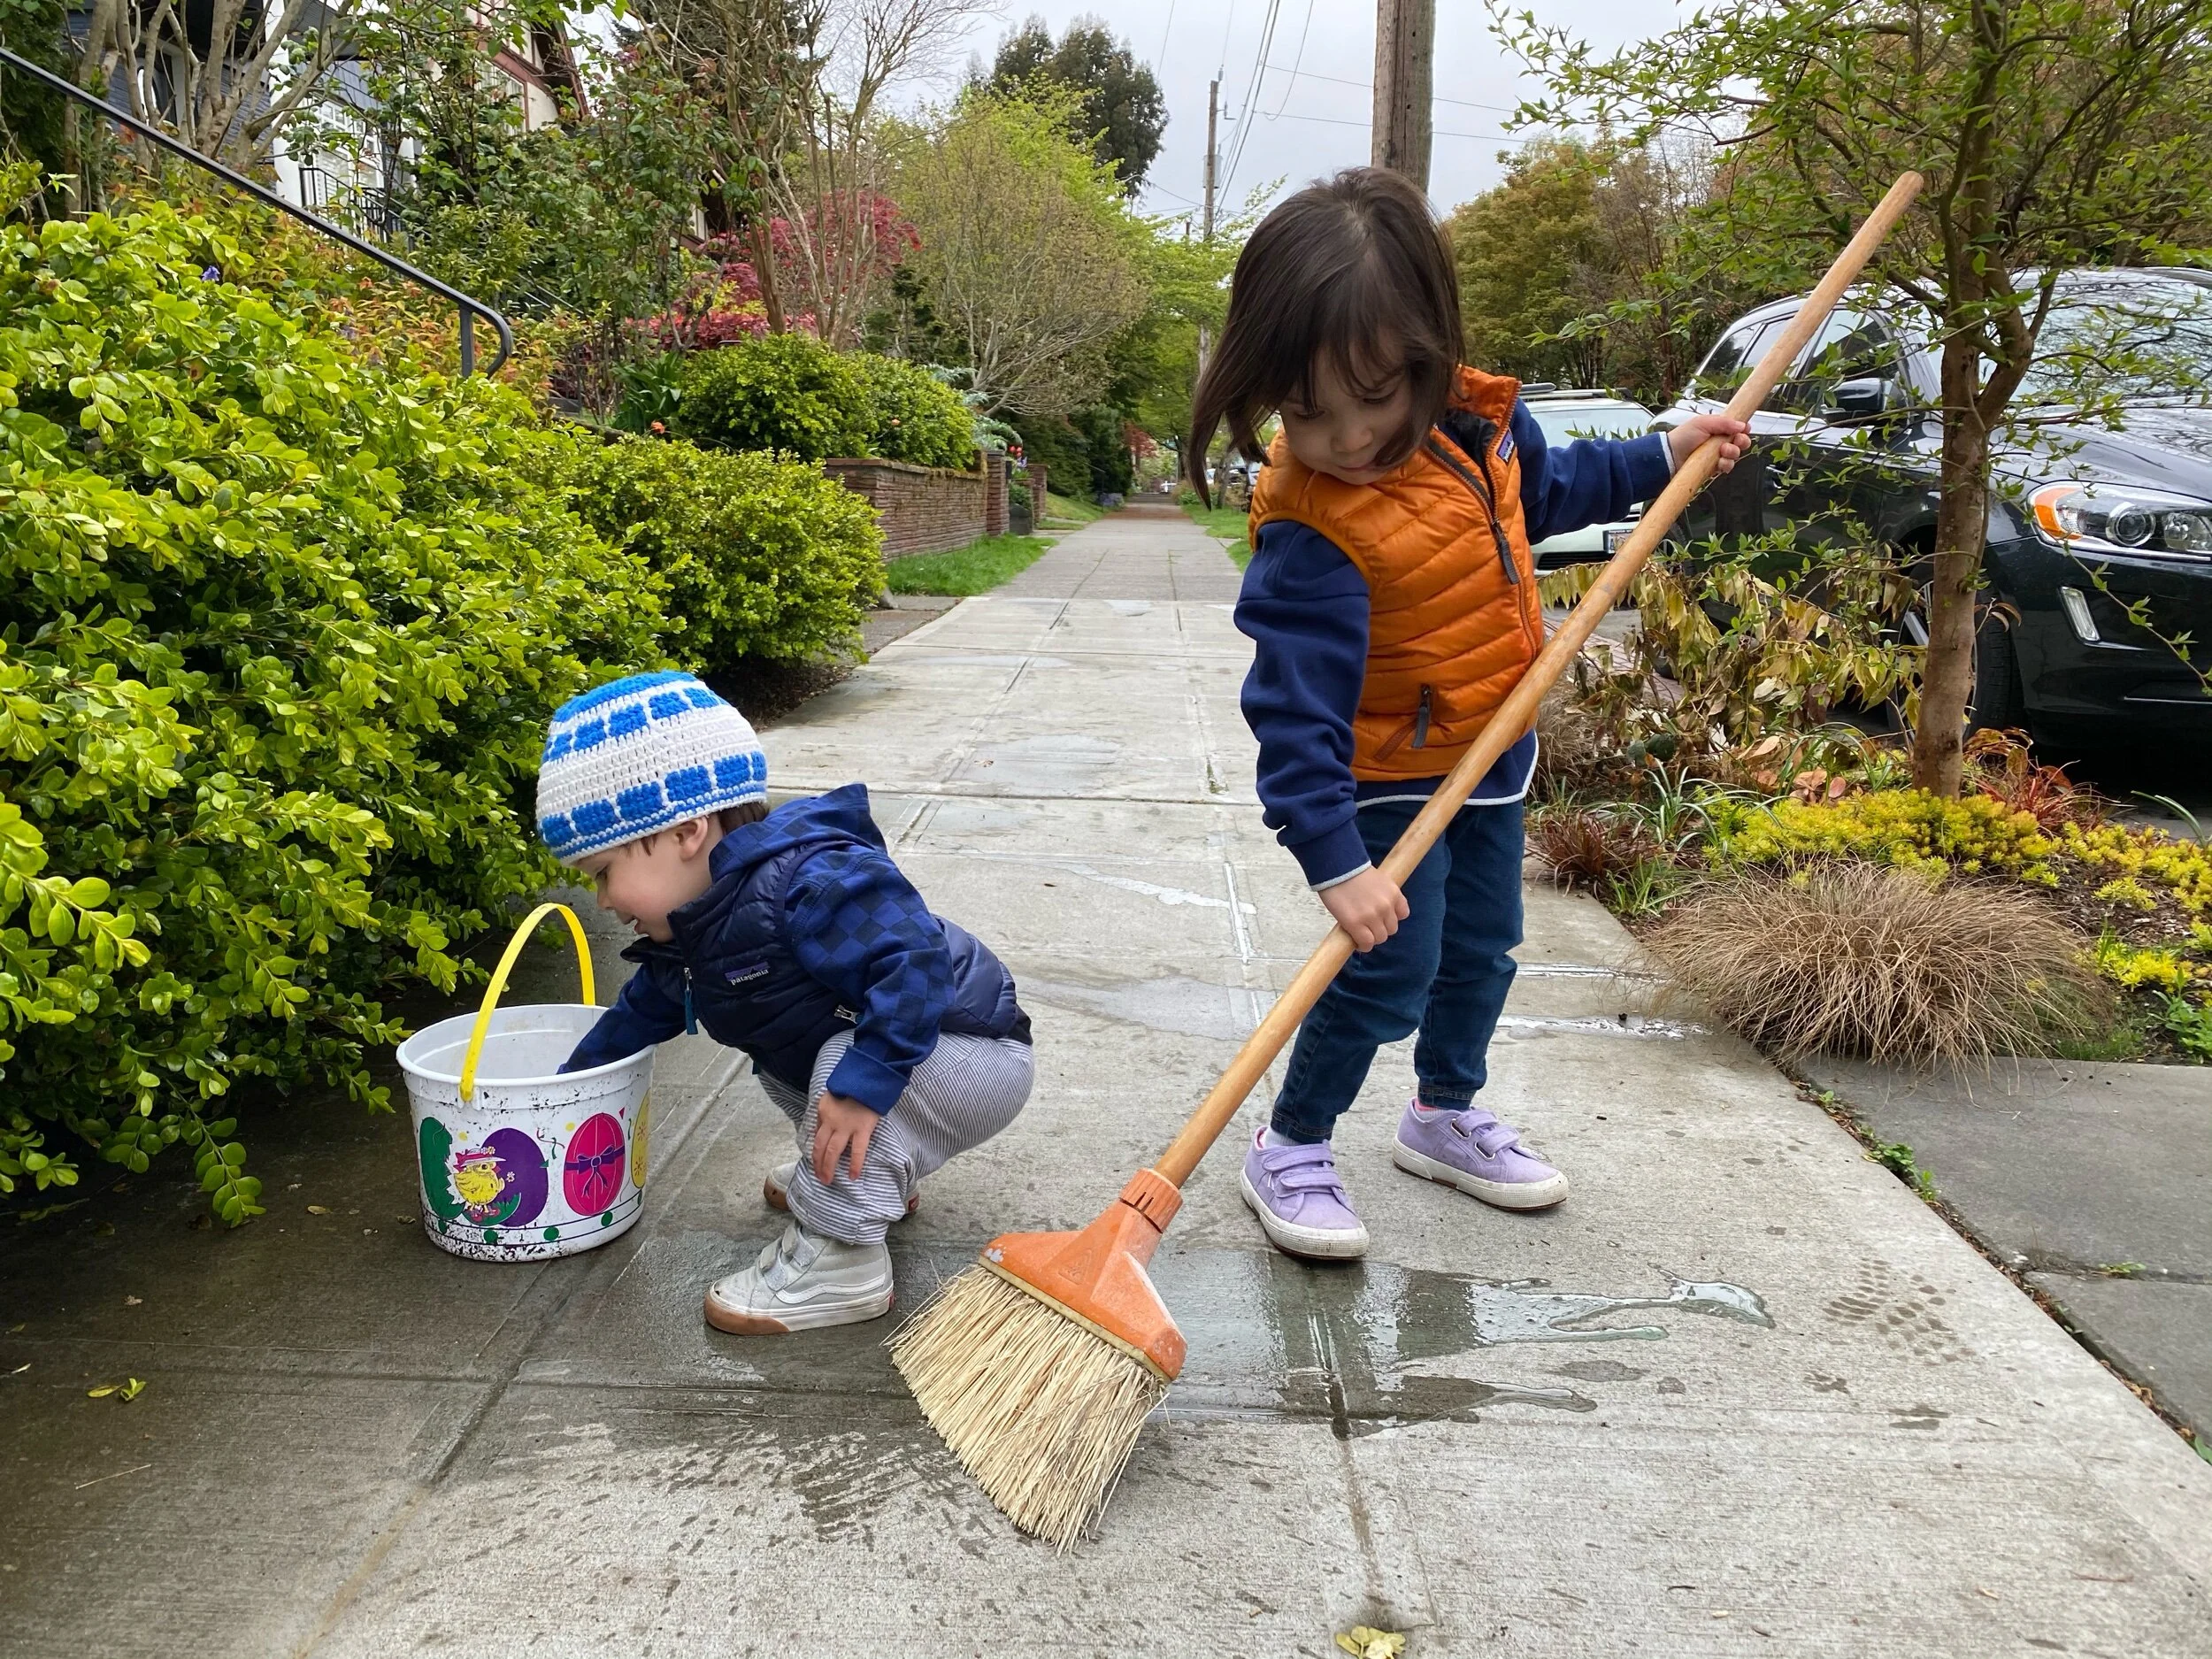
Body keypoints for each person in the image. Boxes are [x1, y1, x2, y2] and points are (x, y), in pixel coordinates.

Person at [1187, 168, 1748, 1260]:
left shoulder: (1473, 430)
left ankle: (1443, 1113)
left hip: (1493, 749)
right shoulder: (1312, 529)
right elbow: (1289, 716)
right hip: (1382, 778)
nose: (1345, 436)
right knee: (1389, 963)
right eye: (1307, 411)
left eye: (1373, 397)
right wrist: (1335, 862)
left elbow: (1548, 491)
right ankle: (1290, 1141)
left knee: (1483, 950)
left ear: (1430, 355)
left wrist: (1666, 455)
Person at [536, 672, 1033, 1329]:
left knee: (842, 1065)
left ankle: (843, 1260)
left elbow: (914, 963)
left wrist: (865, 1086)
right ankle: (871, 1180)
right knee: (781, 1060)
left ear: (687, 829)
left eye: (604, 873)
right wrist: (564, 1083)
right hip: (924, 1058)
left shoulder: (809, 880)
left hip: (977, 1054)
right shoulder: (693, 925)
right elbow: (640, 1011)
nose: (600, 899)